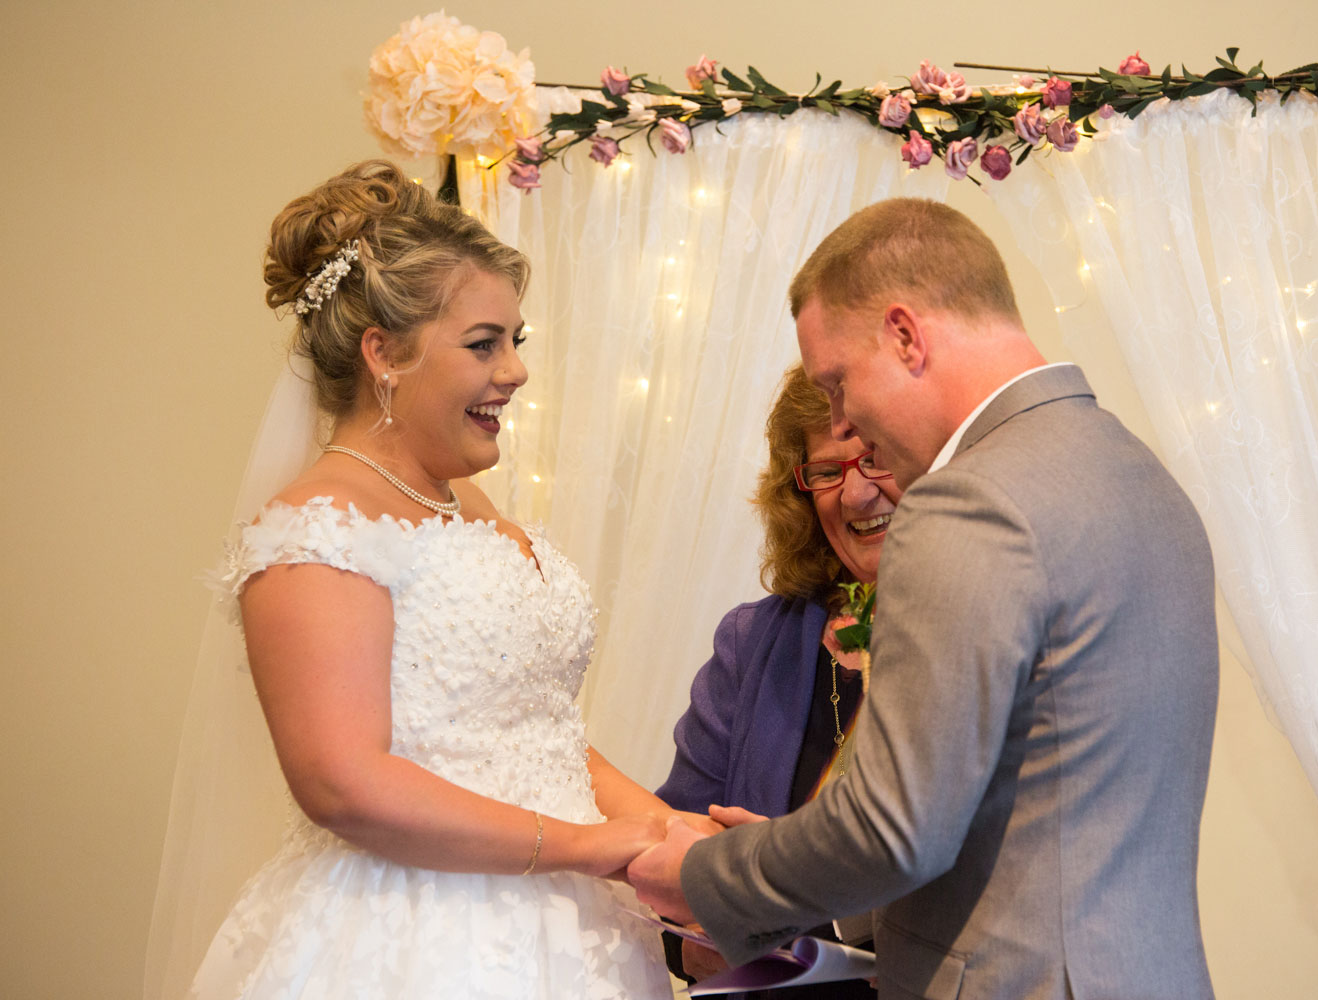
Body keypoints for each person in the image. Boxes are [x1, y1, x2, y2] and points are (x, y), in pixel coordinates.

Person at [628, 197, 1220, 1000]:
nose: (846, 426)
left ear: (906, 335)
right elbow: (1031, 813)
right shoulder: (1137, 473)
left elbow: (895, 832)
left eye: (837, 384)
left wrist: (708, 875)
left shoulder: (967, 500)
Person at [152, 160, 686, 999]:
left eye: (516, 342)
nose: (514, 372)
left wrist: (661, 826)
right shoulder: (318, 529)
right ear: (383, 355)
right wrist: (590, 847)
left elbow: (532, 729)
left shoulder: (461, 501)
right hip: (413, 939)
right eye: (484, 344)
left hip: (568, 928)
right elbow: (344, 783)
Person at [654, 364, 900, 997]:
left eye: (873, 460)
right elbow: (675, 857)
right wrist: (696, 927)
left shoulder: (981, 627)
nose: (853, 495)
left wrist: (771, 881)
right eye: (826, 472)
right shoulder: (751, 643)